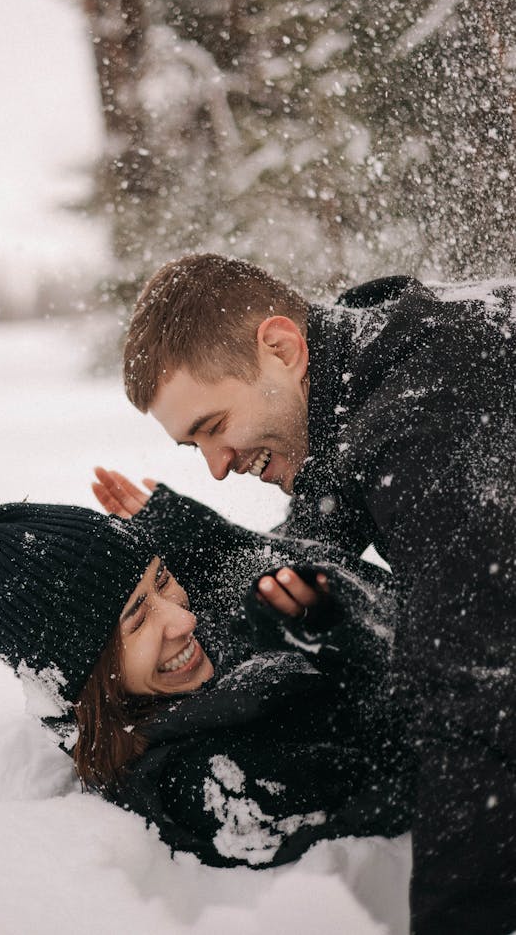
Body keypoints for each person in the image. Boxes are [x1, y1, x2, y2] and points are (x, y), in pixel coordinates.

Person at [122, 252, 516, 935]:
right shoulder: (369, 360)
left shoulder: (424, 429)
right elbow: (312, 540)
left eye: (214, 427)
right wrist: (196, 539)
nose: (217, 467)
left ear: (281, 347)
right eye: (195, 448)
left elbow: (479, 703)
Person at [0, 482, 413, 871]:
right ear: (88, 675)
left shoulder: (166, 685)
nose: (182, 620)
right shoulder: (202, 781)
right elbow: (438, 748)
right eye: (137, 618)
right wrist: (352, 647)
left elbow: (291, 578)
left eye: (162, 579)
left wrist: (214, 545)